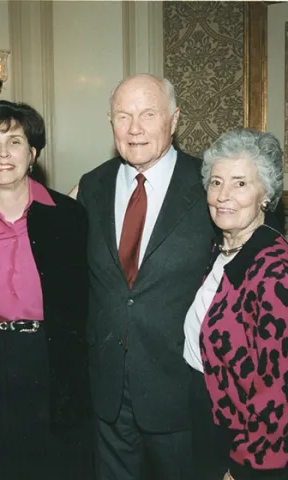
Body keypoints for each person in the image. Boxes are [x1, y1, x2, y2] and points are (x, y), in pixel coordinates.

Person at [0, 100, 93, 480]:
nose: (3, 153)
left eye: (15, 141)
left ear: (33, 153)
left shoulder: (71, 216)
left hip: (52, 360)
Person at [77, 74, 215, 479]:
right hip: (107, 394)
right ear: (110, 123)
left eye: (148, 114)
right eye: (123, 116)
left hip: (181, 391)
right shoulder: (92, 185)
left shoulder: (210, 184)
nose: (135, 128)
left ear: (173, 120)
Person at [184, 129, 288, 480]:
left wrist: (244, 468)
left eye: (240, 183)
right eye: (216, 182)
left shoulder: (275, 270)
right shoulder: (222, 250)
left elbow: (277, 390)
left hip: (247, 450)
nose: (223, 195)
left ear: (266, 194)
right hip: (209, 425)